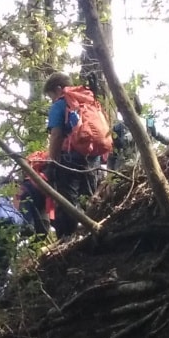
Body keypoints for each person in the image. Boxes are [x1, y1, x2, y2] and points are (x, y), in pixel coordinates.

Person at [43, 72, 114, 237]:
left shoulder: (60, 104)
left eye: (51, 95)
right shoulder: (88, 102)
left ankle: (69, 238)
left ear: (59, 89)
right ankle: (91, 232)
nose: (52, 99)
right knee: (89, 197)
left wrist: (52, 163)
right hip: (93, 159)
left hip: (69, 160)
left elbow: (56, 135)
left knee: (67, 201)